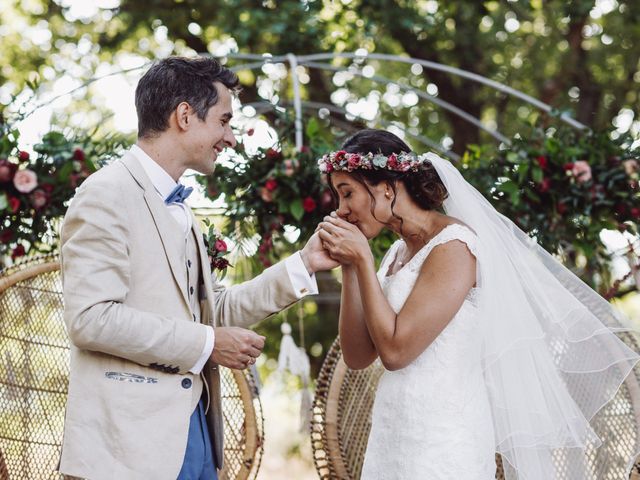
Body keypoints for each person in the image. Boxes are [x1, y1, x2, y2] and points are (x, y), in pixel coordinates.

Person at [58, 56, 337, 480]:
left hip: (195, 436)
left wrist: (303, 265)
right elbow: (91, 318)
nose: (229, 137)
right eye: (224, 121)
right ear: (185, 115)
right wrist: (207, 344)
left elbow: (210, 314)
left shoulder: (183, 209)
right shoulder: (105, 194)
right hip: (128, 452)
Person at [317, 129, 640, 479]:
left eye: (347, 193)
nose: (341, 209)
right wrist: (350, 266)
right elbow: (358, 355)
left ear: (386, 187)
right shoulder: (396, 254)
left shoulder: (455, 245)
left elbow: (396, 352)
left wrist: (363, 259)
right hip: (393, 430)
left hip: (443, 439)